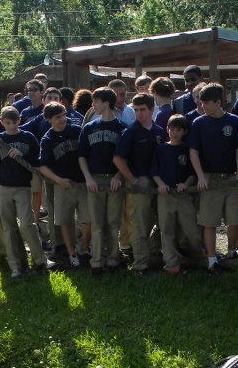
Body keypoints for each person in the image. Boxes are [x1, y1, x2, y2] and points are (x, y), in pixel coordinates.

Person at [188, 82, 238, 273]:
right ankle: (212, 258)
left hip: (231, 177)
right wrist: (200, 176)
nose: (202, 106)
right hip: (210, 178)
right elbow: (193, 152)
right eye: (201, 102)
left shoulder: (234, 121)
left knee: (235, 218)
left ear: (218, 102)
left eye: (206, 102)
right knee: (209, 220)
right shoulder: (198, 123)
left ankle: (231, 251)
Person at [0, 106, 57, 276]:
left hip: (22, 186)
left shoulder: (28, 137)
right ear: (2, 122)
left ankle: (40, 259)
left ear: (20, 120)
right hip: (4, 187)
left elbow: (37, 160)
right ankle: (15, 264)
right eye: (8, 123)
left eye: (14, 122)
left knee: (28, 223)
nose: (11, 126)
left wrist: (23, 155)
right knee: (9, 226)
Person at [78, 87, 126, 275]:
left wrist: (119, 175)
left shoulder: (122, 128)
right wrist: (88, 177)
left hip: (115, 181)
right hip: (94, 181)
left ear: (106, 103)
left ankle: (113, 260)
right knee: (96, 224)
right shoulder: (89, 127)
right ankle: (96, 262)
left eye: (96, 101)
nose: (93, 105)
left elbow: (125, 158)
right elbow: (82, 156)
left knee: (113, 223)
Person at [113, 93, 163, 275]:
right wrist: (132, 180)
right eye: (136, 110)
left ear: (152, 109)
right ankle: (140, 265)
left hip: (160, 182)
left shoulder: (160, 131)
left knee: (161, 221)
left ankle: (155, 255)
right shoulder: (130, 132)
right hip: (139, 181)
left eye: (143, 109)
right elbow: (118, 158)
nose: (139, 113)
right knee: (140, 224)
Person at [38, 102, 90, 269]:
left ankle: (83, 248)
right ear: (49, 120)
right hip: (63, 185)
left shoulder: (76, 131)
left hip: (82, 183)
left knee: (89, 219)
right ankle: (71, 253)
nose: (62, 119)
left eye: (63, 115)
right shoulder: (47, 139)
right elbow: (42, 166)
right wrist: (58, 180)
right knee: (64, 221)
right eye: (57, 117)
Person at [151, 114, 201, 274]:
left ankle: (197, 257)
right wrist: (161, 184)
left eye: (178, 130)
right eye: (172, 129)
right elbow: (154, 172)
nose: (174, 133)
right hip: (165, 195)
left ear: (184, 132)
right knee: (166, 229)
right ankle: (171, 264)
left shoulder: (187, 150)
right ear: (167, 129)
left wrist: (186, 184)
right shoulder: (160, 149)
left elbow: (193, 173)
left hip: (184, 195)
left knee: (190, 229)